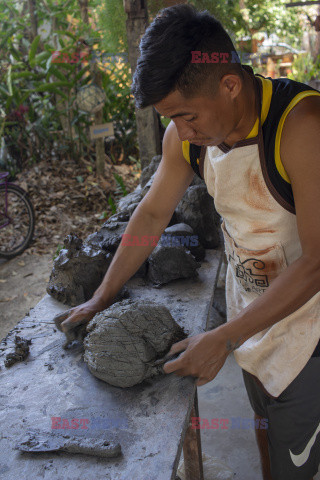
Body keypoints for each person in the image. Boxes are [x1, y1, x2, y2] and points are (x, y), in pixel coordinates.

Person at [57, 4, 320, 480]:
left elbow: (317, 261)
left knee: (295, 458)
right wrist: (102, 296)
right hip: (252, 312)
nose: (181, 132)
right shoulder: (186, 137)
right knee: (264, 428)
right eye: (169, 119)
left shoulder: (301, 128)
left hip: (311, 329)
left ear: (230, 84)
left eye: (187, 116)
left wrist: (222, 337)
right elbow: (153, 214)